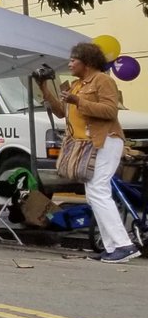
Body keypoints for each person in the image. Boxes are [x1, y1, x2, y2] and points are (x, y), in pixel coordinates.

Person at [38, 42, 140, 263]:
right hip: (85, 145)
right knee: (94, 194)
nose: (70, 63)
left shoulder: (103, 81)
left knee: (98, 190)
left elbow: (110, 111)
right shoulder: (76, 85)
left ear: (87, 61)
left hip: (105, 141)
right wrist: (44, 87)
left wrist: (79, 101)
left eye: (73, 60)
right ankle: (112, 247)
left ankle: (124, 245)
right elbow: (59, 113)